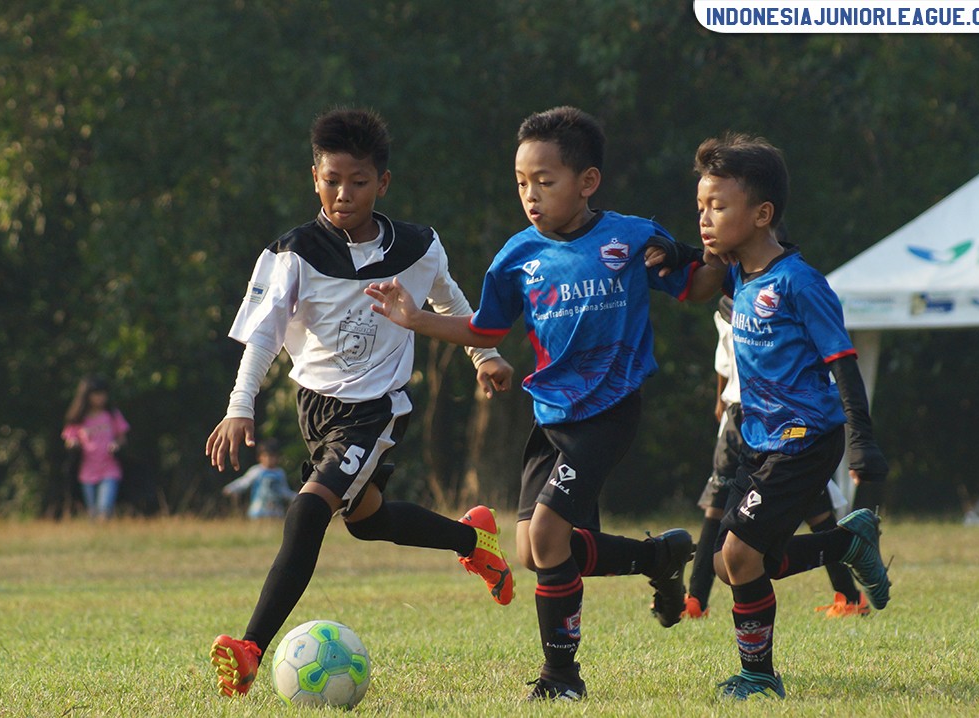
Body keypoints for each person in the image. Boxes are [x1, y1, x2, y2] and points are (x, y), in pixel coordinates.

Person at [365, 106, 722, 701]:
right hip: (550, 415)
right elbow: (486, 329)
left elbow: (696, 287)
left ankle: (562, 680)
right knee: (534, 551)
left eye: (545, 181)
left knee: (551, 536)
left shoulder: (632, 237)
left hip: (608, 410)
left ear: (587, 182)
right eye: (521, 183)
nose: (530, 195)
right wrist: (415, 319)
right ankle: (658, 557)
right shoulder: (515, 257)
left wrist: (716, 252)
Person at [206, 108, 517, 699]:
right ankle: (474, 541)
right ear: (314, 178)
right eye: (331, 180)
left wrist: (485, 357)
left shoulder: (419, 247)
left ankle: (249, 648)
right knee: (369, 522)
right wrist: (239, 404)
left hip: (377, 410)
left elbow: (452, 303)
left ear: (383, 183)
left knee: (306, 511)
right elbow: (264, 335)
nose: (343, 194)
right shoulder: (292, 253)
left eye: (358, 182)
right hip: (315, 409)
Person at [661, 132, 891, 700]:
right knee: (727, 563)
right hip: (758, 440)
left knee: (738, 555)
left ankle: (759, 678)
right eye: (700, 208)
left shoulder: (800, 283)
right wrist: (672, 256)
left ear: (763, 214)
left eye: (718, 206)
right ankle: (845, 543)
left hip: (806, 439)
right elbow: (703, 267)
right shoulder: (740, 273)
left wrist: (863, 444)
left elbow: (842, 363)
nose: (705, 219)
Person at [683, 297, 870, 620]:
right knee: (723, 508)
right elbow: (724, 361)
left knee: (813, 512)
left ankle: (850, 593)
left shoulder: (785, 295)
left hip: (780, 416)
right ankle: (696, 598)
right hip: (740, 412)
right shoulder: (729, 298)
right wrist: (721, 399)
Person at [62, 375, 130, 521]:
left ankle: (105, 531)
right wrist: (74, 443)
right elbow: (69, 438)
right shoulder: (78, 418)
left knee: (104, 508)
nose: (100, 398)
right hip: (87, 470)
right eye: (96, 394)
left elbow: (122, 437)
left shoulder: (112, 415)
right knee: (93, 512)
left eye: (103, 394)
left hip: (110, 468)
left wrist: (116, 444)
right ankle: (98, 540)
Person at [221, 439, 297, 519]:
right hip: (258, 511)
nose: (269, 459)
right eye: (265, 456)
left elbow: (284, 490)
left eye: (272, 456)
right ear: (259, 457)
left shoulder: (280, 473)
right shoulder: (256, 471)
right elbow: (244, 482)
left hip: (276, 512)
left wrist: (296, 497)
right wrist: (231, 488)